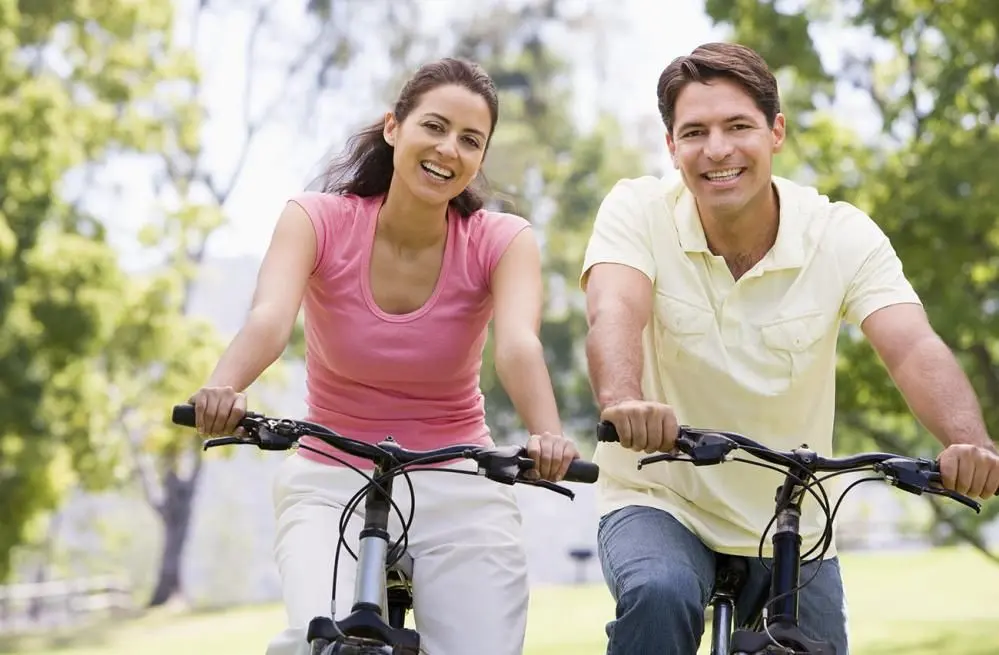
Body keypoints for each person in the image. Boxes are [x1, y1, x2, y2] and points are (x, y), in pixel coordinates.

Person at [580, 42, 999, 654]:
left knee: (815, 644)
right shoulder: (637, 209)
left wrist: (970, 442)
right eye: (694, 132)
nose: (717, 149)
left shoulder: (839, 233)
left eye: (737, 126)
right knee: (660, 592)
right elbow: (614, 308)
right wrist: (624, 400)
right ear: (671, 146)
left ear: (775, 131)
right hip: (659, 496)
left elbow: (910, 346)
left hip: (789, 515)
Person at [187, 57, 580, 655]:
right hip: (329, 469)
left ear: (480, 157)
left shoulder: (502, 240)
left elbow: (518, 346)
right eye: (435, 126)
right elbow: (269, 321)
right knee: (317, 640)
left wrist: (546, 433)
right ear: (393, 127)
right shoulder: (316, 219)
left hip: (456, 472)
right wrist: (224, 386)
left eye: (470, 140)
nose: (449, 149)